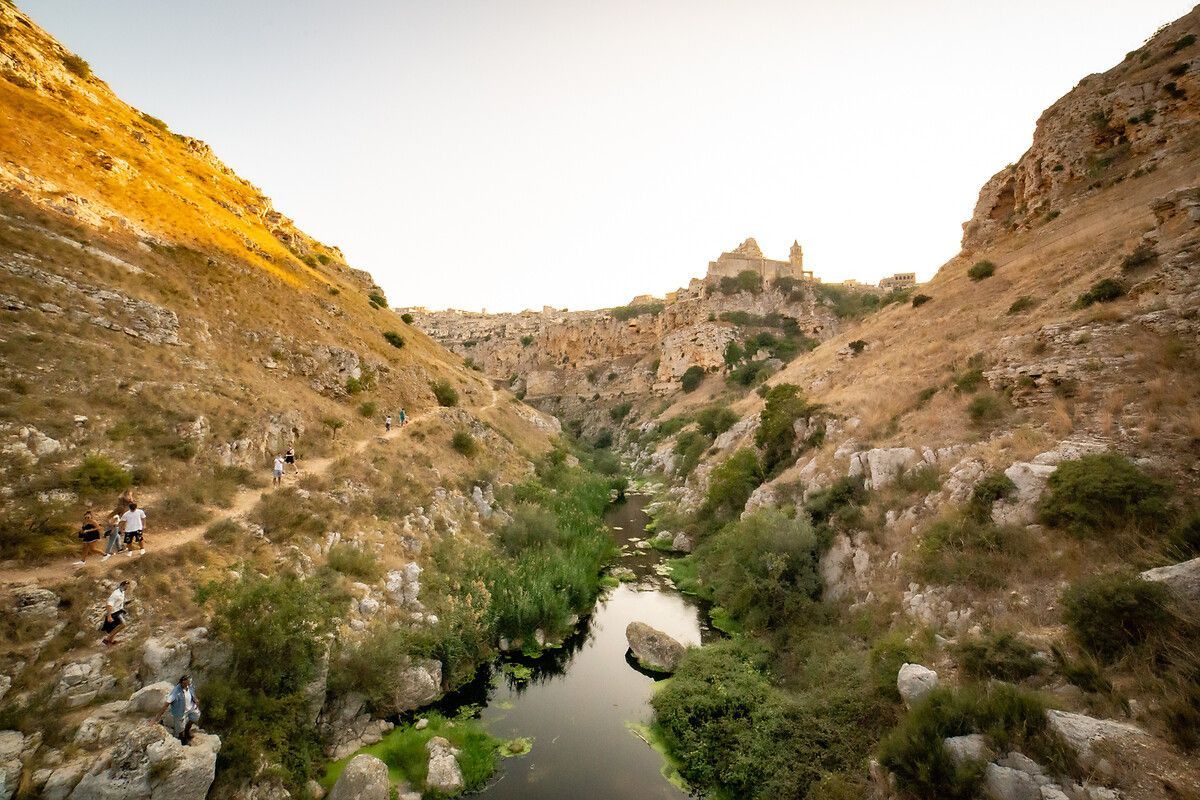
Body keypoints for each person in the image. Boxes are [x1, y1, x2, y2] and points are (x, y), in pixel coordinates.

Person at [154, 674, 201, 744]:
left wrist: (195, 699)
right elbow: (166, 705)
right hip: (180, 712)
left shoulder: (189, 686)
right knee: (180, 729)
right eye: (186, 683)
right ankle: (182, 740)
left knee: (195, 717)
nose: (188, 684)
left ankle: (187, 731)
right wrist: (156, 718)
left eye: (188, 682)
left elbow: (192, 693)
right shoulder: (175, 692)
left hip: (191, 708)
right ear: (182, 682)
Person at [101, 579, 130, 645]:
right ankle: (107, 639)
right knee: (123, 624)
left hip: (118, 611)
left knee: (115, 627)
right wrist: (109, 616)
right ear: (122, 586)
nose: (127, 588)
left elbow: (118, 601)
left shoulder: (122, 592)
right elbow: (109, 604)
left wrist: (125, 602)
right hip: (114, 613)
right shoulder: (116, 593)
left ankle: (110, 642)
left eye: (128, 586)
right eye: (126, 586)